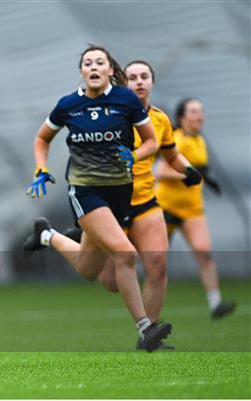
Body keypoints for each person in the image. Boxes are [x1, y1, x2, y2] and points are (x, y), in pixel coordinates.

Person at [23, 45, 172, 352]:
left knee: (89, 270)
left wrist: (133, 155)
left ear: (108, 71)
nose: (93, 67)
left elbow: (151, 143)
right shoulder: (68, 105)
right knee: (125, 254)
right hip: (85, 191)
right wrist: (41, 168)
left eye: (99, 62)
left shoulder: (125, 100)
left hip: (119, 192)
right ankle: (146, 329)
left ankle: (47, 236)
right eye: (88, 63)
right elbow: (42, 138)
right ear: (81, 71)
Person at [88, 61, 203, 350]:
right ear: (124, 83)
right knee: (109, 280)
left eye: (144, 77)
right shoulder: (111, 115)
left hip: (145, 204)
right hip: (112, 204)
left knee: (158, 265)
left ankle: (148, 336)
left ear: (151, 82)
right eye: (134, 77)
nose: (139, 81)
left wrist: (188, 170)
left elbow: (172, 155)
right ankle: (59, 236)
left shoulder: (161, 119)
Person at [155, 98, 235, 319]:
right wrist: (190, 175)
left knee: (204, 252)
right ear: (182, 117)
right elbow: (160, 172)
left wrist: (207, 181)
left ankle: (215, 303)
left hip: (192, 208)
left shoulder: (200, 141)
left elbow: (199, 170)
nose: (199, 115)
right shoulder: (177, 139)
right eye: (193, 111)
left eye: (201, 111)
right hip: (166, 207)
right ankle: (150, 313)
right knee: (156, 260)